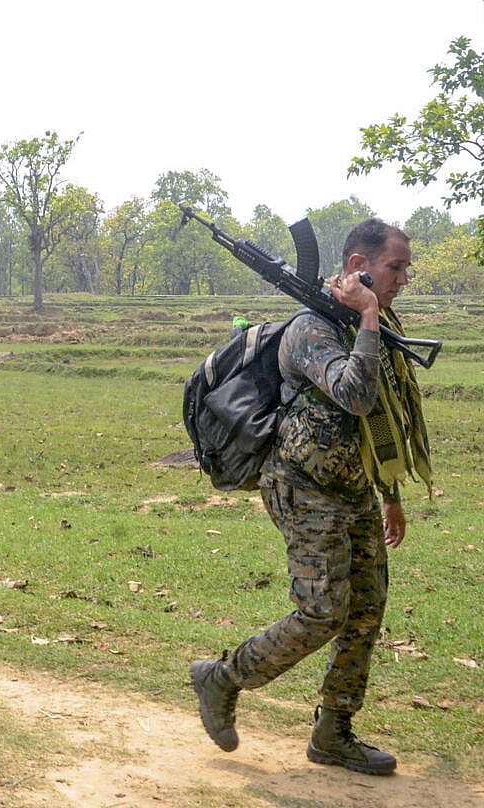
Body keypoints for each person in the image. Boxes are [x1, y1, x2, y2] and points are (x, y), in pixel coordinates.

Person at [190, 219, 432, 776]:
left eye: (404, 270)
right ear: (357, 267)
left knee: (366, 609)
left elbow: (383, 416)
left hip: (354, 489)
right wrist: (369, 315)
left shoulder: (367, 325)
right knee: (322, 612)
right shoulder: (313, 328)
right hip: (302, 487)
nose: (401, 279)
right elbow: (355, 394)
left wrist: (389, 490)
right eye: (395, 268)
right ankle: (222, 676)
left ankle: (334, 731)